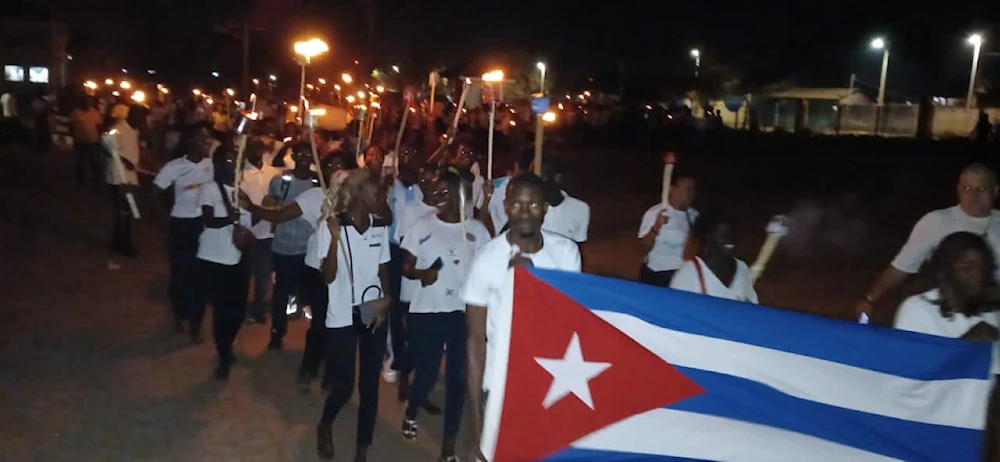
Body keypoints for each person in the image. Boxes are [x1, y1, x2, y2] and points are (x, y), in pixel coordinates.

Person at [462, 173, 582, 458]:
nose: (525, 213)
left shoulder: (566, 253)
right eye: (517, 205)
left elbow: (572, 321)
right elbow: (476, 342)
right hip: (501, 384)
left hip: (553, 379)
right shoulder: (487, 259)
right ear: (505, 206)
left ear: (545, 208)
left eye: (533, 205)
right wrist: (475, 424)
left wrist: (532, 281)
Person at [239, 151, 353, 389]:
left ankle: (333, 370)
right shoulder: (314, 196)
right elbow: (281, 215)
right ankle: (310, 367)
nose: (337, 172)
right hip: (319, 266)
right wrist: (252, 207)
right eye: (331, 167)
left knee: (341, 323)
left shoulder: (356, 198)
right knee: (321, 321)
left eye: (342, 167)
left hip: (346, 269)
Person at [400, 167, 491, 461]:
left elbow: (489, 272)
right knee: (426, 374)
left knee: (457, 380)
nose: (436, 197)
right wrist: (421, 273)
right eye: (434, 191)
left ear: (458, 195)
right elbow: (406, 266)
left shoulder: (476, 231)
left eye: (443, 192)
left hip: (463, 315)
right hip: (428, 311)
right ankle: (411, 410)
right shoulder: (423, 226)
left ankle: (448, 446)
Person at [891, 231, 1000, 459]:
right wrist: (965, 346)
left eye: (982, 266)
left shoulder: (990, 312)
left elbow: (993, 386)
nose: (976, 274)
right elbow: (909, 381)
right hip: (931, 428)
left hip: (975, 432)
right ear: (946, 269)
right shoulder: (917, 309)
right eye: (966, 266)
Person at [313, 169, 392, 461]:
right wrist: (334, 240)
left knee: (370, 384)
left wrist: (387, 299)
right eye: (375, 193)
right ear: (359, 194)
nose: (381, 198)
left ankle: (362, 448)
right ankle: (325, 423)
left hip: (372, 311)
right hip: (341, 315)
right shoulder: (331, 226)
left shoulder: (379, 227)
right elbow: (327, 277)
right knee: (344, 385)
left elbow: (383, 268)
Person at [857, 164, 1000, 321]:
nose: (973, 196)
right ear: (958, 190)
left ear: (995, 191)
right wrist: (870, 298)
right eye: (967, 189)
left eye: (981, 189)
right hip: (949, 314)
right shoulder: (937, 221)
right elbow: (902, 266)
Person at [153, 124, 215, 338]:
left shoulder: (212, 165)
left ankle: (196, 323)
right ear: (190, 142)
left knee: (201, 276)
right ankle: (180, 314)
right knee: (180, 274)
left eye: (208, 138)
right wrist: (164, 216)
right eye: (202, 138)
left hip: (205, 225)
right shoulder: (174, 167)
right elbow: (155, 191)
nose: (207, 142)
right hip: (181, 225)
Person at [196, 146, 252, 380]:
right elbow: (207, 219)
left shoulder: (243, 191)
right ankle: (224, 354)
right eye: (229, 161)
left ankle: (227, 345)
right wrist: (229, 218)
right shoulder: (210, 189)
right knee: (222, 310)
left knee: (238, 311)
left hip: (238, 257)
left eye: (237, 161)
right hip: (214, 258)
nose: (234, 165)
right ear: (218, 166)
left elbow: (251, 222)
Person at [669, 211, 758, 303]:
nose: (730, 240)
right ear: (707, 238)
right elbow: (678, 313)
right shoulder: (687, 275)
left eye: (732, 234)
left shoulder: (742, 269)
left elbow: (752, 308)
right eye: (724, 235)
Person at [240, 140, 278, 325]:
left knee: (264, 273)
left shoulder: (273, 172)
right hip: (249, 230)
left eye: (257, 148)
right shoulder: (241, 175)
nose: (255, 151)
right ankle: (242, 305)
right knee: (248, 273)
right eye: (251, 148)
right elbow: (242, 203)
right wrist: (262, 209)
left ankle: (258, 308)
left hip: (269, 231)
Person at [637, 174, 698, 287]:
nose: (691, 194)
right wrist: (655, 228)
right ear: (672, 189)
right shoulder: (656, 213)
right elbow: (642, 248)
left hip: (686, 277)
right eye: (687, 189)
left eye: (693, 189)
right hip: (659, 276)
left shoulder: (695, 216)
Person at [102, 104, 141, 257]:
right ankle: (124, 245)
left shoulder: (132, 130)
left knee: (124, 212)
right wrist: (124, 160)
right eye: (141, 117)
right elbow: (104, 146)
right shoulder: (119, 128)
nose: (143, 120)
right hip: (118, 177)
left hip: (129, 177)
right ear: (132, 115)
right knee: (124, 212)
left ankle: (118, 243)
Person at [539, 158, 590, 243]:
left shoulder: (580, 209)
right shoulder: (527, 210)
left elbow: (578, 247)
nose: (535, 183)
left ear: (557, 178)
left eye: (542, 177)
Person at [69, 96, 105, 190]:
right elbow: (71, 126)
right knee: (79, 161)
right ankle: (80, 180)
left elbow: (99, 126)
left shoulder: (95, 113)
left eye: (89, 102)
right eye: (85, 102)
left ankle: (96, 182)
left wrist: (100, 137)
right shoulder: (76, 113)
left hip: (93, 141)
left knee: (95, 162)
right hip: (80, 141)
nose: (87, 104)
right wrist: (74, 136)